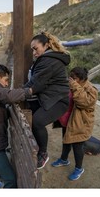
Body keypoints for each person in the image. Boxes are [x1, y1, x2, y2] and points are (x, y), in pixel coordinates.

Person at [23, 32, 71, 169]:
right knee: (31, 116)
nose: (33, 52)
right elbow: (35, 82)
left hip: (58, 100)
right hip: (50, 98)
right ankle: (33, 147)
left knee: (37, 121)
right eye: (32, 49)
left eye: (35, 48)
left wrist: (14, 94)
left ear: (46, 45)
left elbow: (35, 84)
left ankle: (43, 153)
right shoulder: (46, 59)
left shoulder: (49, 60)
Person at [51, 67, 98, 181]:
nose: (71, 80)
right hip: (68, 121)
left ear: (82, 79)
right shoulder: (71, 85)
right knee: (66, 141)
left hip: (80, 124)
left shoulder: (91, 90)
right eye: (70, 78)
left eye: (74, 78)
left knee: (78, 148)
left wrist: (75, 86)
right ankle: (64, 160)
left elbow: (83, 102)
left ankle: (79, 168)